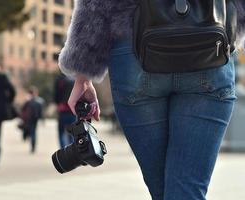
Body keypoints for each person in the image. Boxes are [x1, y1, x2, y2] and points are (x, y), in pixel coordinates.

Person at [58, 1, 245, 200]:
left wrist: (83, 74)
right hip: (211, 43)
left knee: (165, 192)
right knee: (186, 190)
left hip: (134, 52)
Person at [19, 86, 44, 153]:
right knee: (33, 131)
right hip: (34, 118)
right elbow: (41, 111)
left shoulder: (29, 101)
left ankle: (32, 144)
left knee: (31, 131)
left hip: (30, 119)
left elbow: (23, 109)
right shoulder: (39, 101)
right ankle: (32, 145)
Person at [54, 73, 76, 148]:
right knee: (72, 133)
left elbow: (56, 95)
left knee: (61, 132)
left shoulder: (59, 79)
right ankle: (72, 151)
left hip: (62, 109)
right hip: (73, 110)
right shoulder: (75, 79)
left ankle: (63, 151)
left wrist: (58, 103)